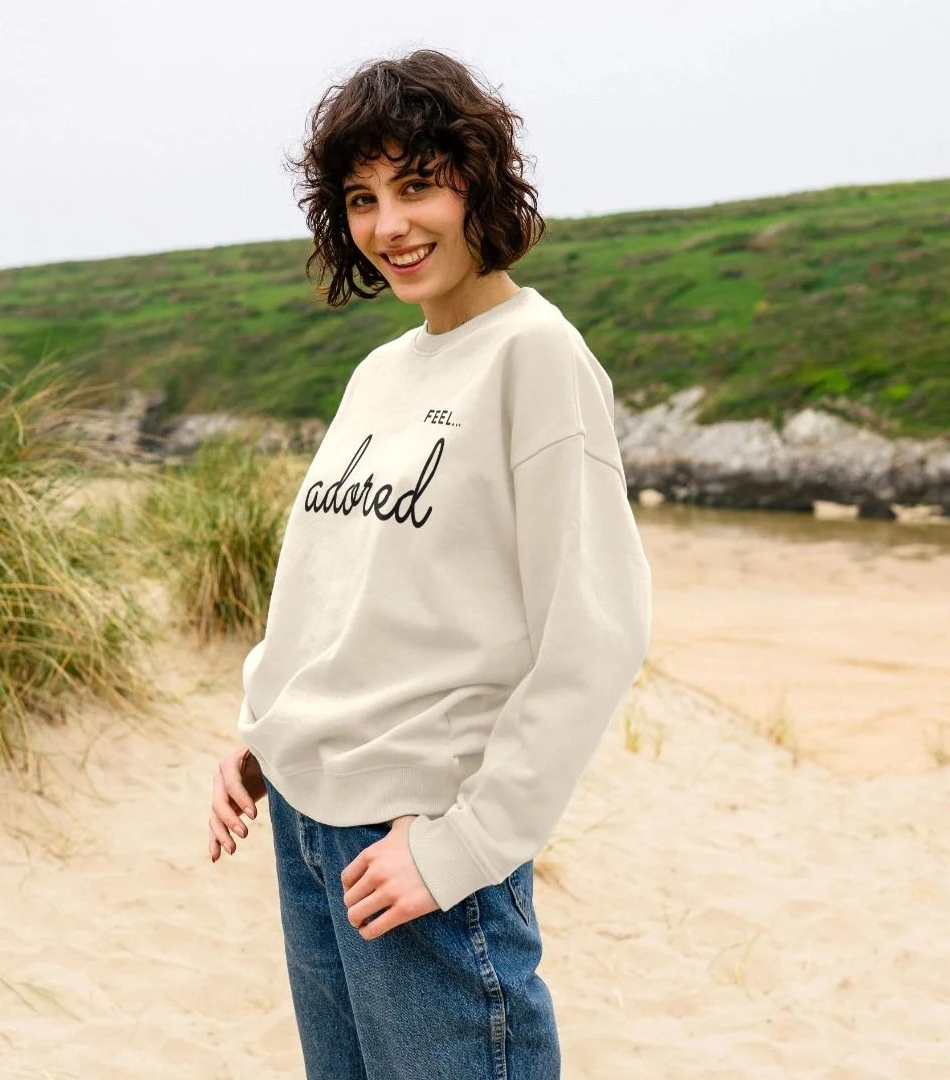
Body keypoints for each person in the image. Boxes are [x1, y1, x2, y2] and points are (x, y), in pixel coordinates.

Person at [207, 47, 653, 1080]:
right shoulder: (380, 372)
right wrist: (265, 734)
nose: (390, 225)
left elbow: (597, 631)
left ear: (479, 181)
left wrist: (467, 845)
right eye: (362, 198)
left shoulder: (536, 355)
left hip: (419, 845)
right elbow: (334, 588)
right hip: (310, 833)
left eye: (416, 185)